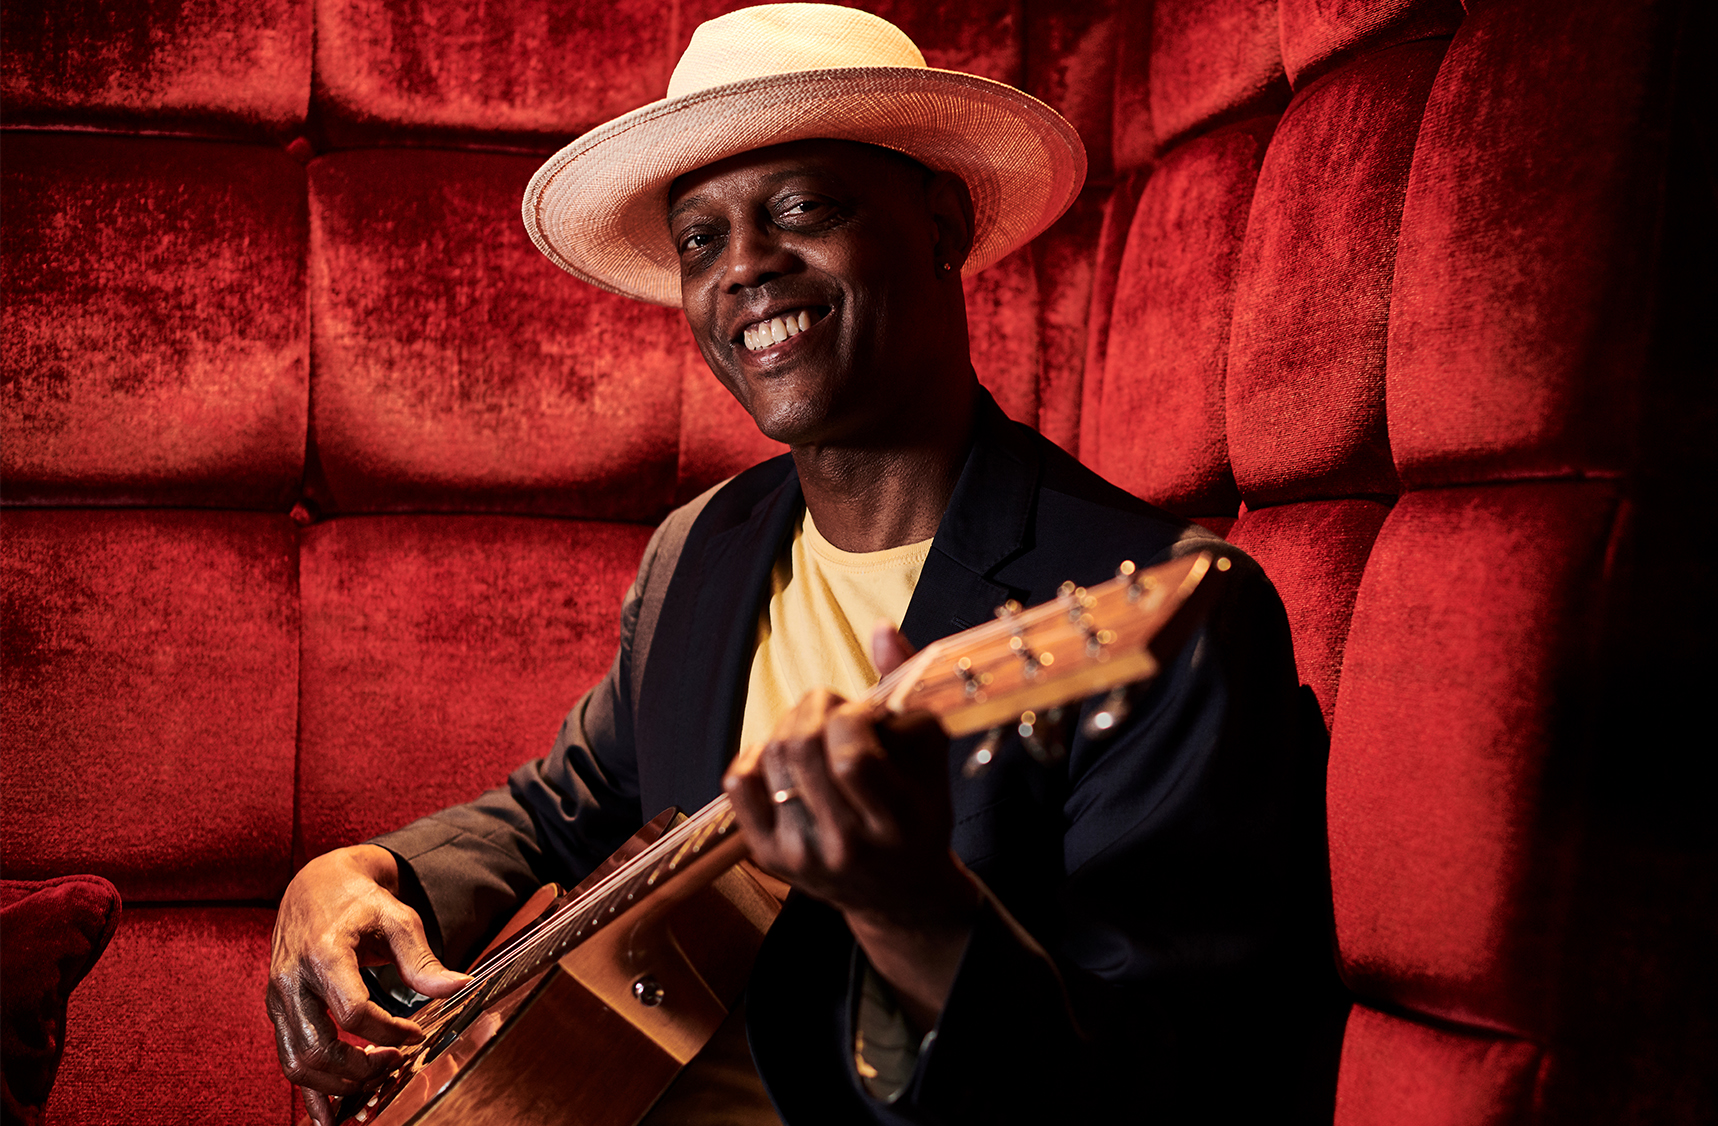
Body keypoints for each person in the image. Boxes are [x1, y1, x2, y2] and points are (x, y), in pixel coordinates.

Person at [265, 5, 1341, 1124]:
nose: (744, 269)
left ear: (938, 225)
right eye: (699, 238)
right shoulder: (703, 547)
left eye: (801, 208)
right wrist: (357, 874)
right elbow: (559, 804)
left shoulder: (1157, 609)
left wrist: (917, 913)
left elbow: (1182, 1088)